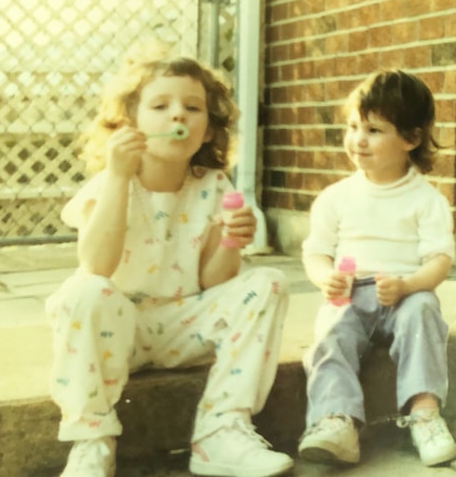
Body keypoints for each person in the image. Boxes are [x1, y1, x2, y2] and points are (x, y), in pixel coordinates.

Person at [46, 43, 293, 477]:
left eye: (192, 108)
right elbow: (97, 267)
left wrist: (232, 241)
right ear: (129, 123)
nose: (178, 115)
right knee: (82, 290)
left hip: (182, 327)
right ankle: (91, 443)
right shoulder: (110, 184)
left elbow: (214, 281)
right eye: (160, 105)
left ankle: (222, 432)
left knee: (267, 282)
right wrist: (120, 177)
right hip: (118, 330)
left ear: (210, 129)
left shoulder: (213, 185)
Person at [297, 69, 456, 468]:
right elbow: (316, 252)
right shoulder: (336, 198)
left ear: (411, 139)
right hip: (351, 292)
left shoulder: (426, 199)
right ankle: (337, 421)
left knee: (424, 311)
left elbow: (439, 261)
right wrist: (325, 278)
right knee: (330, 333)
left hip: (404, 290)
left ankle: (425, 413)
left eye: (373, 129)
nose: (358, 139)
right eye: (353, 126)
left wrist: (408, 286)